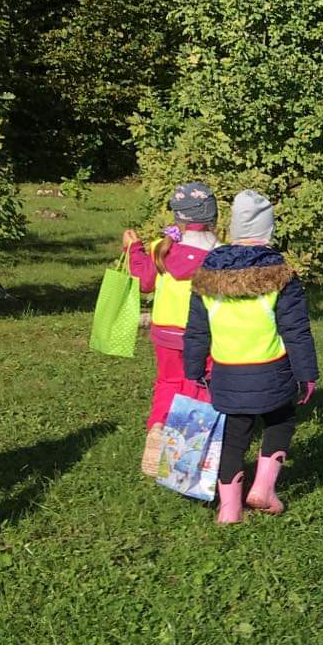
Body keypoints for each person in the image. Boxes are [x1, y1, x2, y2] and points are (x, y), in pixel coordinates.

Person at [183, 191, 319, 524]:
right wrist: (307, 375)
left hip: (227, 372)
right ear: (268, 231)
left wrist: (193, 369)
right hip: (273, 369)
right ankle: (263, 488)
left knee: (233, 436)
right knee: (280, 421)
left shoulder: (208, 276)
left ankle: (229, 510)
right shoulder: (281, 276)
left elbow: (197, 331)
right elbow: (296, 330)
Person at [123, 180, 219, 475]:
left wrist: (133, 249)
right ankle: (189, 450)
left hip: (164, 331)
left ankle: (158, 426)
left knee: (168, 382)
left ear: (178, 217)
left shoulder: (160, 248)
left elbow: (144, 281)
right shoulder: (219, 255)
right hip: (202, 334)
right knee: (199, 384)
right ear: (214, 218)